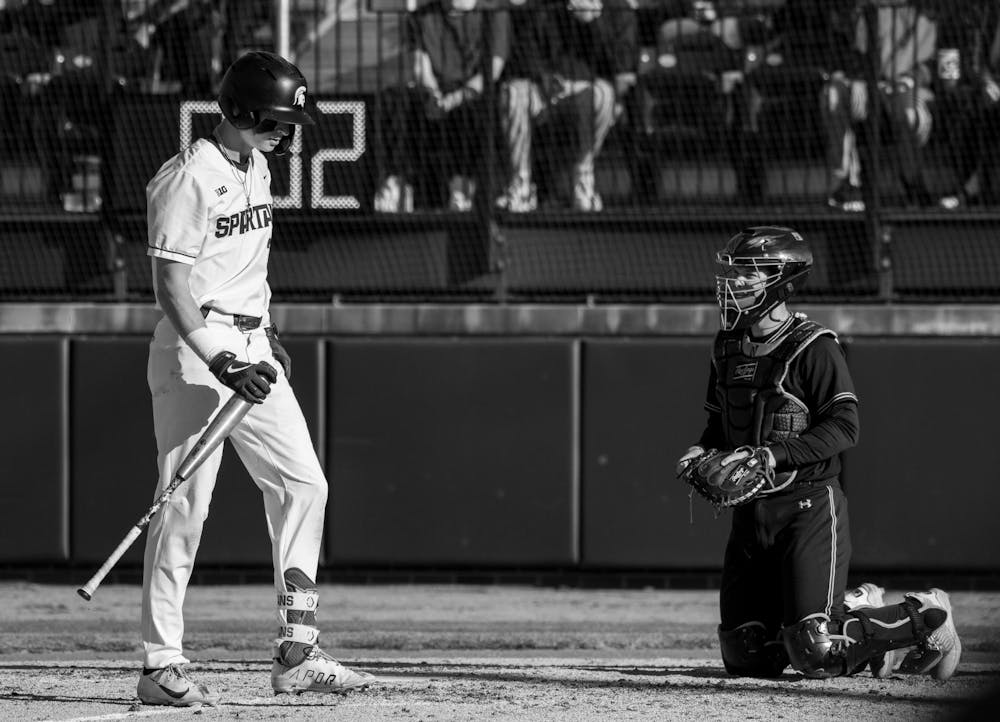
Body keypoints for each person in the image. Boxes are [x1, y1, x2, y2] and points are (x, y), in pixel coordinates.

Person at [140, 50, 375, 706]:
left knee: (305, 483)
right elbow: (170, 284)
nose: (287, 132)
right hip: (197, 353)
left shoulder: (258, 163)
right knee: (183, 506)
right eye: (278, 121)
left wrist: (264, 333)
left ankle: (297, 651)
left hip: (251, 347)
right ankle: (161, 663)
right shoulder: (189, 176)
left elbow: (249, 262)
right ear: (242, 112)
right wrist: (221, 356)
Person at [675, 225, 962, 681]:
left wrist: (772, 456)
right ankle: (857, 617)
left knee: (816, 651)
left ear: (779, 279)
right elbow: (720, 423)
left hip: (808, 507)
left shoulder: (815, 347)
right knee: (746, 655)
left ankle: (926, 616)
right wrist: (701, 450)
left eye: (748, 273)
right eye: (733, 274)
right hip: (752, 514)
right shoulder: (728, 346)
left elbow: (845, 427)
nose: (735, 284)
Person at [498, 0, 636, 212]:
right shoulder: (545, 7)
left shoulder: (617, 8)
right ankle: (521, 184)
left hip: (588, 88)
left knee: (603, 94)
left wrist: (593, 22)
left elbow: (620, 66)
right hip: (545, 88)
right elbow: (525, 46)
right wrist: (542, 77)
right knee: (513, 92)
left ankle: (583, 180)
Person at [373, 0, 510, 213]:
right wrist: (433, 94)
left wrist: (456, 98)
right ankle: (395, 184)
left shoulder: (494, 13)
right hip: (436, 90)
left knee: (476, 111)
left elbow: (493, 70)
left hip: (473, 92)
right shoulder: (422, 17)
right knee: (393, 99)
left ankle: (462, 188)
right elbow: (420, 65)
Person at [820, 1, 937, 211]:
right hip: (873, 88)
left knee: (905, 108)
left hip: (913, 91)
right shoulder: (871, 12)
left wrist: (906, 77)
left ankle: (914, 186)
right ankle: (849, 183)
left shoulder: (927, 14)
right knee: (833, 93)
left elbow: (920, 66)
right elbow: (859, 58)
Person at [933, 0, 1000, 209]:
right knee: (966, 111)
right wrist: (985, 84)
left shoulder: (990, 16)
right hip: (973, 92)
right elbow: (949, 76)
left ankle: (972, 188)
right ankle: (971, 187)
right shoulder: (956, 19)